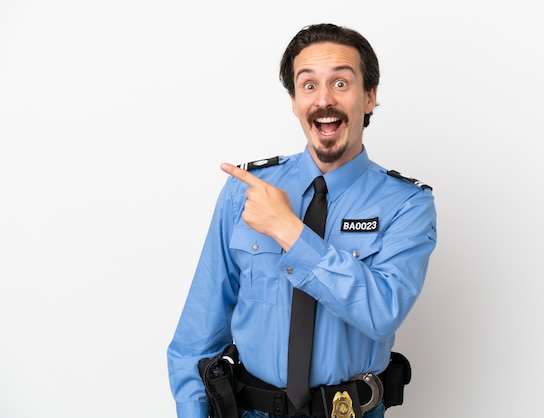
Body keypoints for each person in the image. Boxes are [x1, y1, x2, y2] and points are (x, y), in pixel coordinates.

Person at [167, 23, 437, 418]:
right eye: (308, 85)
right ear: (294, 101)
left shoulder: (407, 204)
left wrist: (288, 230)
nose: (323, 100)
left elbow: (382, 312)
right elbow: (198, 333)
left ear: (369, 97)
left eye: (341, 84)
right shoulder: (246, 191)